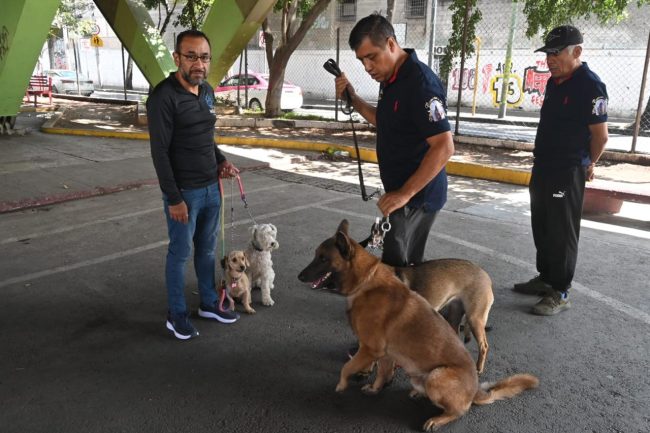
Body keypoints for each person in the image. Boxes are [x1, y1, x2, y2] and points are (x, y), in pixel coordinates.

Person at [334, 14, 454, 268]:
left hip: (416, 197)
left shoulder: (420, 84)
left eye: (372, 57)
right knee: (398, 265)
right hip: (399, 194)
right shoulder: (391, 79)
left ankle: (405, 308)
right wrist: (352, 98)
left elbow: (444, 146)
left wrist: (404, 194)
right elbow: (384, 120)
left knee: (400, 269)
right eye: (361, 60)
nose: (367, 67)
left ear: (391, 44)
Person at [147, 29, 240, 340]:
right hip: (184, 193)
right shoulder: (163, 96)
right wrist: (173, 198)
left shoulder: (207, 91)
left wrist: (221, 160)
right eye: (191, 56)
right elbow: (159, 152)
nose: (199, 63)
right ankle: (176, 314)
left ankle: (209, 304)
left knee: (208, 250)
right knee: (180, 253)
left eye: (204, 57)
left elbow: (205, 137)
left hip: (211, 187)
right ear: (177, 58)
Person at [514, 25, 608, 316]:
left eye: (556, 53)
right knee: (542, 224)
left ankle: (561, 290)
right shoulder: (555, 82)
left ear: (577, 51)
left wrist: (588, 163)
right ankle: (546, 278)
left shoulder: (590, 86)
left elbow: (600, 136)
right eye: (548, 54)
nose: (550, 60)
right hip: (543, 165)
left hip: (567, 170)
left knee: (561, 231)